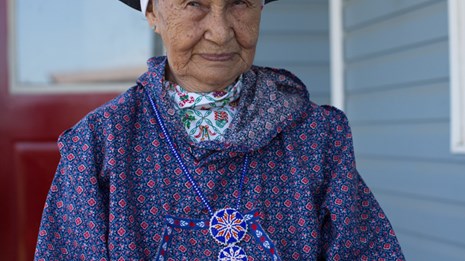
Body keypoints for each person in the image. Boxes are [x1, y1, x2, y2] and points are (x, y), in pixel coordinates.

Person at [34, 0, 405, 260]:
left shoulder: (314, 137)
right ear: (153, 13)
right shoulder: (100, 146)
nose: (220, 31)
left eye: (240, 2)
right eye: (194, 3)